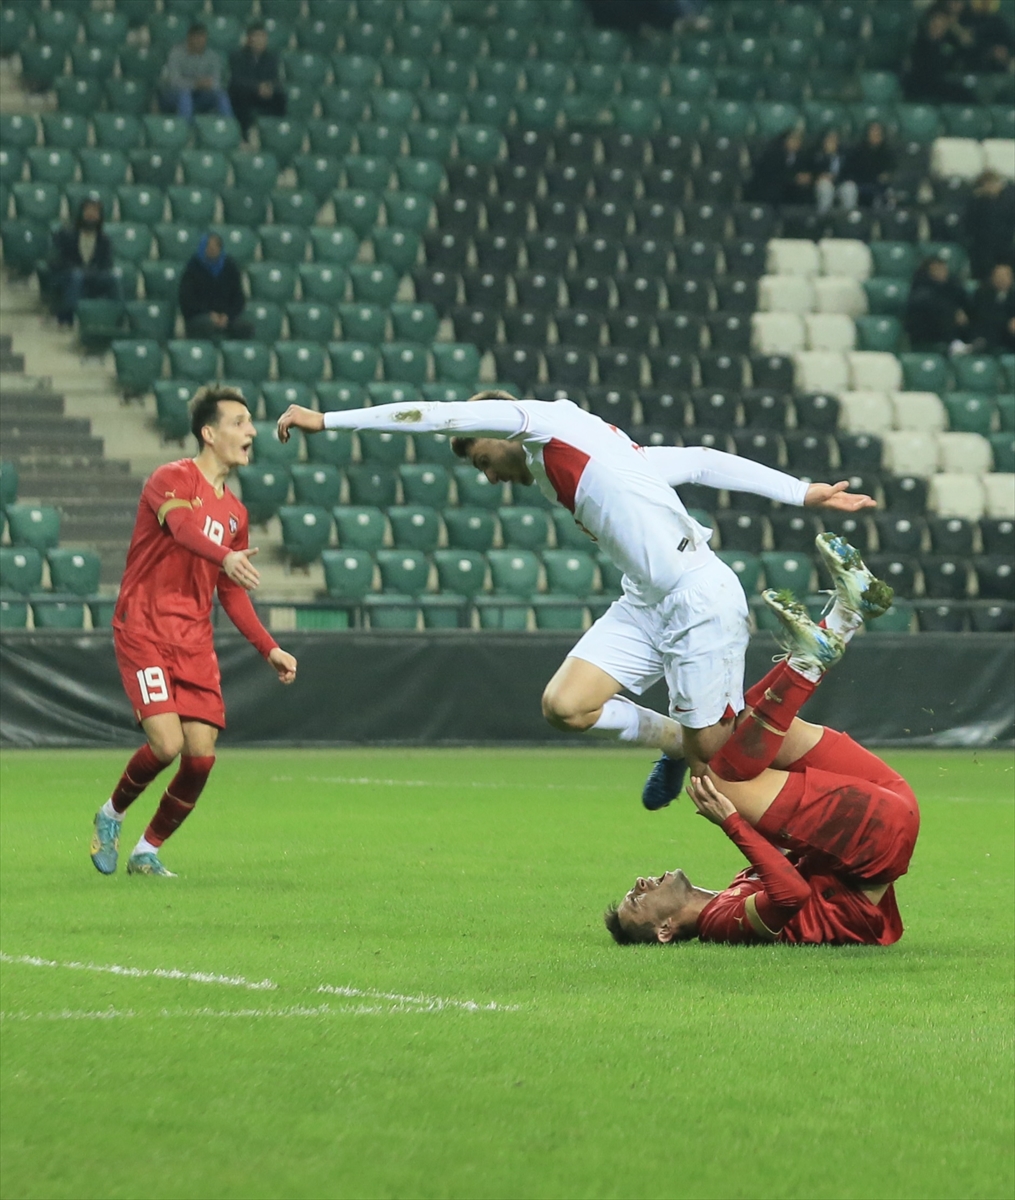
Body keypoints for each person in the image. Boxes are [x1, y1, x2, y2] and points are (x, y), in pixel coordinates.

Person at [275, 392, 878, 805]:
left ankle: (825, 691)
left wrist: (327, 421)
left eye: (484, 459)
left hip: (698, 596)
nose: (488, 477)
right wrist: (801, 492)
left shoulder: (546, 420)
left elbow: (432, 414)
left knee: (721, 766)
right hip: (645, 602)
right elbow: (697, 461)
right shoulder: (568, 458)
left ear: (496, 428)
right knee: (565, 706)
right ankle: (677, 738)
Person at [605, 550, 920, 947]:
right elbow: (793, 894)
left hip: (887, 805)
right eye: (636, 901)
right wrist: (731, 821)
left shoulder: (735, 888)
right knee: (714, 773)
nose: (638, 884)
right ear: (664, 930)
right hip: (875, 845)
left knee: (729, 739)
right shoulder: (721, 924)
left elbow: (791, 846)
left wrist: (741, 817)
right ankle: (812, 657)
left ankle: (847, 615)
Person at [90, 386, 297, 878]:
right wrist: (223, 554)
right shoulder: (172, 478)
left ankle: (146, 850)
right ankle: (111, 814)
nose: (251, 432)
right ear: (209, 432)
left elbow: (230, 592)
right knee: (167, 744)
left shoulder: (236, 515)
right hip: (143, 626)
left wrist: (268, 648)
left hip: (194, 638)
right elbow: (182, 529)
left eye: (250, 422)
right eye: (240, 422)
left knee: (200, 758)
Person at [48, 199, 119, 328]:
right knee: (77, 276)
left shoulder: (104, 240)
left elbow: (107, 263)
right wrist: (77, 269)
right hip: (67, 275)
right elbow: (55, 260)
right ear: (81, 213)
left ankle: (117, 319)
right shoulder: (66, 234)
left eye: (95, 212)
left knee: (114, 278)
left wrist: (93, 271)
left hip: (93, 275)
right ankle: (69, 318)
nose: (91, 215)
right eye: (88, 211)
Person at [178, 233, 253, 341]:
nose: (212, 250)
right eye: (208, 247)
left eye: (215, 247)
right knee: (205, 325)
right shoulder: (193, 267)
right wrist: (209, 314)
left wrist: (227, 316)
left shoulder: (230, 267)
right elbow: (187, 300)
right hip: (199, 317)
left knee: (245, 328)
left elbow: (238, 298)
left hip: (225, 317)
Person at [160, 22, 232, 121]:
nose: (199, 41)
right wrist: (195, 84)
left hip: (201, 95)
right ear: (189, 37)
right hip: (174, 95)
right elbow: (173, 81)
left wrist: (208, 84)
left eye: (202, 37)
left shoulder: (212, 56)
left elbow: (217, 82)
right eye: (196, 37)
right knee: (185, 95)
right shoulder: (176, 53)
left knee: (221, 95)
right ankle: (186, 132)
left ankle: (228, 128)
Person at [904, 8, 976, 103]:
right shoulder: (920, 44)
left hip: (940, 85)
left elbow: (960, 57)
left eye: (941, 27)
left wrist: (959, 36)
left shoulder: (947, 45)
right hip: (922, 85)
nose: (938, 29)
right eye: (935, 25)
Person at [228, 22, 286, 140]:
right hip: (245, 93)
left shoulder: (272, 58)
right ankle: (244, 136)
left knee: (281, 97)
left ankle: (274, 134)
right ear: (249, 39)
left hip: (264, 94)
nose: (260, 40)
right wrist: (257, 87)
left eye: (263, 37)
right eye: (257, 37)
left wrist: (269, 87)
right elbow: (236, 80)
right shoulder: (237, 56)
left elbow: (275, 80)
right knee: (240, 96)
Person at [905, 257, 972, 351]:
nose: (942, 272)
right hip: (926, 336)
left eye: (944, 269)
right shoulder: (920, 289)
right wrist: (953, 312)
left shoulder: (953, 286)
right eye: (937, 270)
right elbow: (929, 304)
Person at [967, 171, 1015, 282]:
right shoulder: (976, 203)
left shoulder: (1009, 201)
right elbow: (970, 224)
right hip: (983, 249)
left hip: (1005, 247)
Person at [747, 128, 814, 206]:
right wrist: (794, 178)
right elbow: (772, 174)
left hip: (794, 188)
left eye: (798, 141)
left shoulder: (803, 156)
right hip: (775, 186)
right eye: (793, 140)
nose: (795, 143)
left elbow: (808, 171)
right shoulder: (774, 154)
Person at [841, 122, 896, 209]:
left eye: (878, 132)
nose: (875, 134)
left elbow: (891, 170)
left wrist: (887, 175)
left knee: (890, 193)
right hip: (858, 182)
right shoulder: (858, 150)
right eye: (873, 132)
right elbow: (849, 169)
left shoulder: (887, 152)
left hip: (879, 185)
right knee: (848, 188)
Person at [971, 262, 1015, 351]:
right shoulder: (982, 294)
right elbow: (982, 317)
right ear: (992, 277)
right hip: (987, 338)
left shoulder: (1012, 296)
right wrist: (1007, 322)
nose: (1002, 279)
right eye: (999, 276)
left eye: (1005, 276)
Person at [810, 129, 855, 214]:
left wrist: (837, 178)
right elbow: (813, 172)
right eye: (829, 140)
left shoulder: (843, 155)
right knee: (826, 187)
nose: (832, 142)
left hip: (839, 184)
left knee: (850, 188)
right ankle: (824, 219)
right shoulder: (817, 155)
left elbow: (849, 173)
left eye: (834, 140)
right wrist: (827, 156)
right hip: (822, 184)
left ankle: (847, 220)